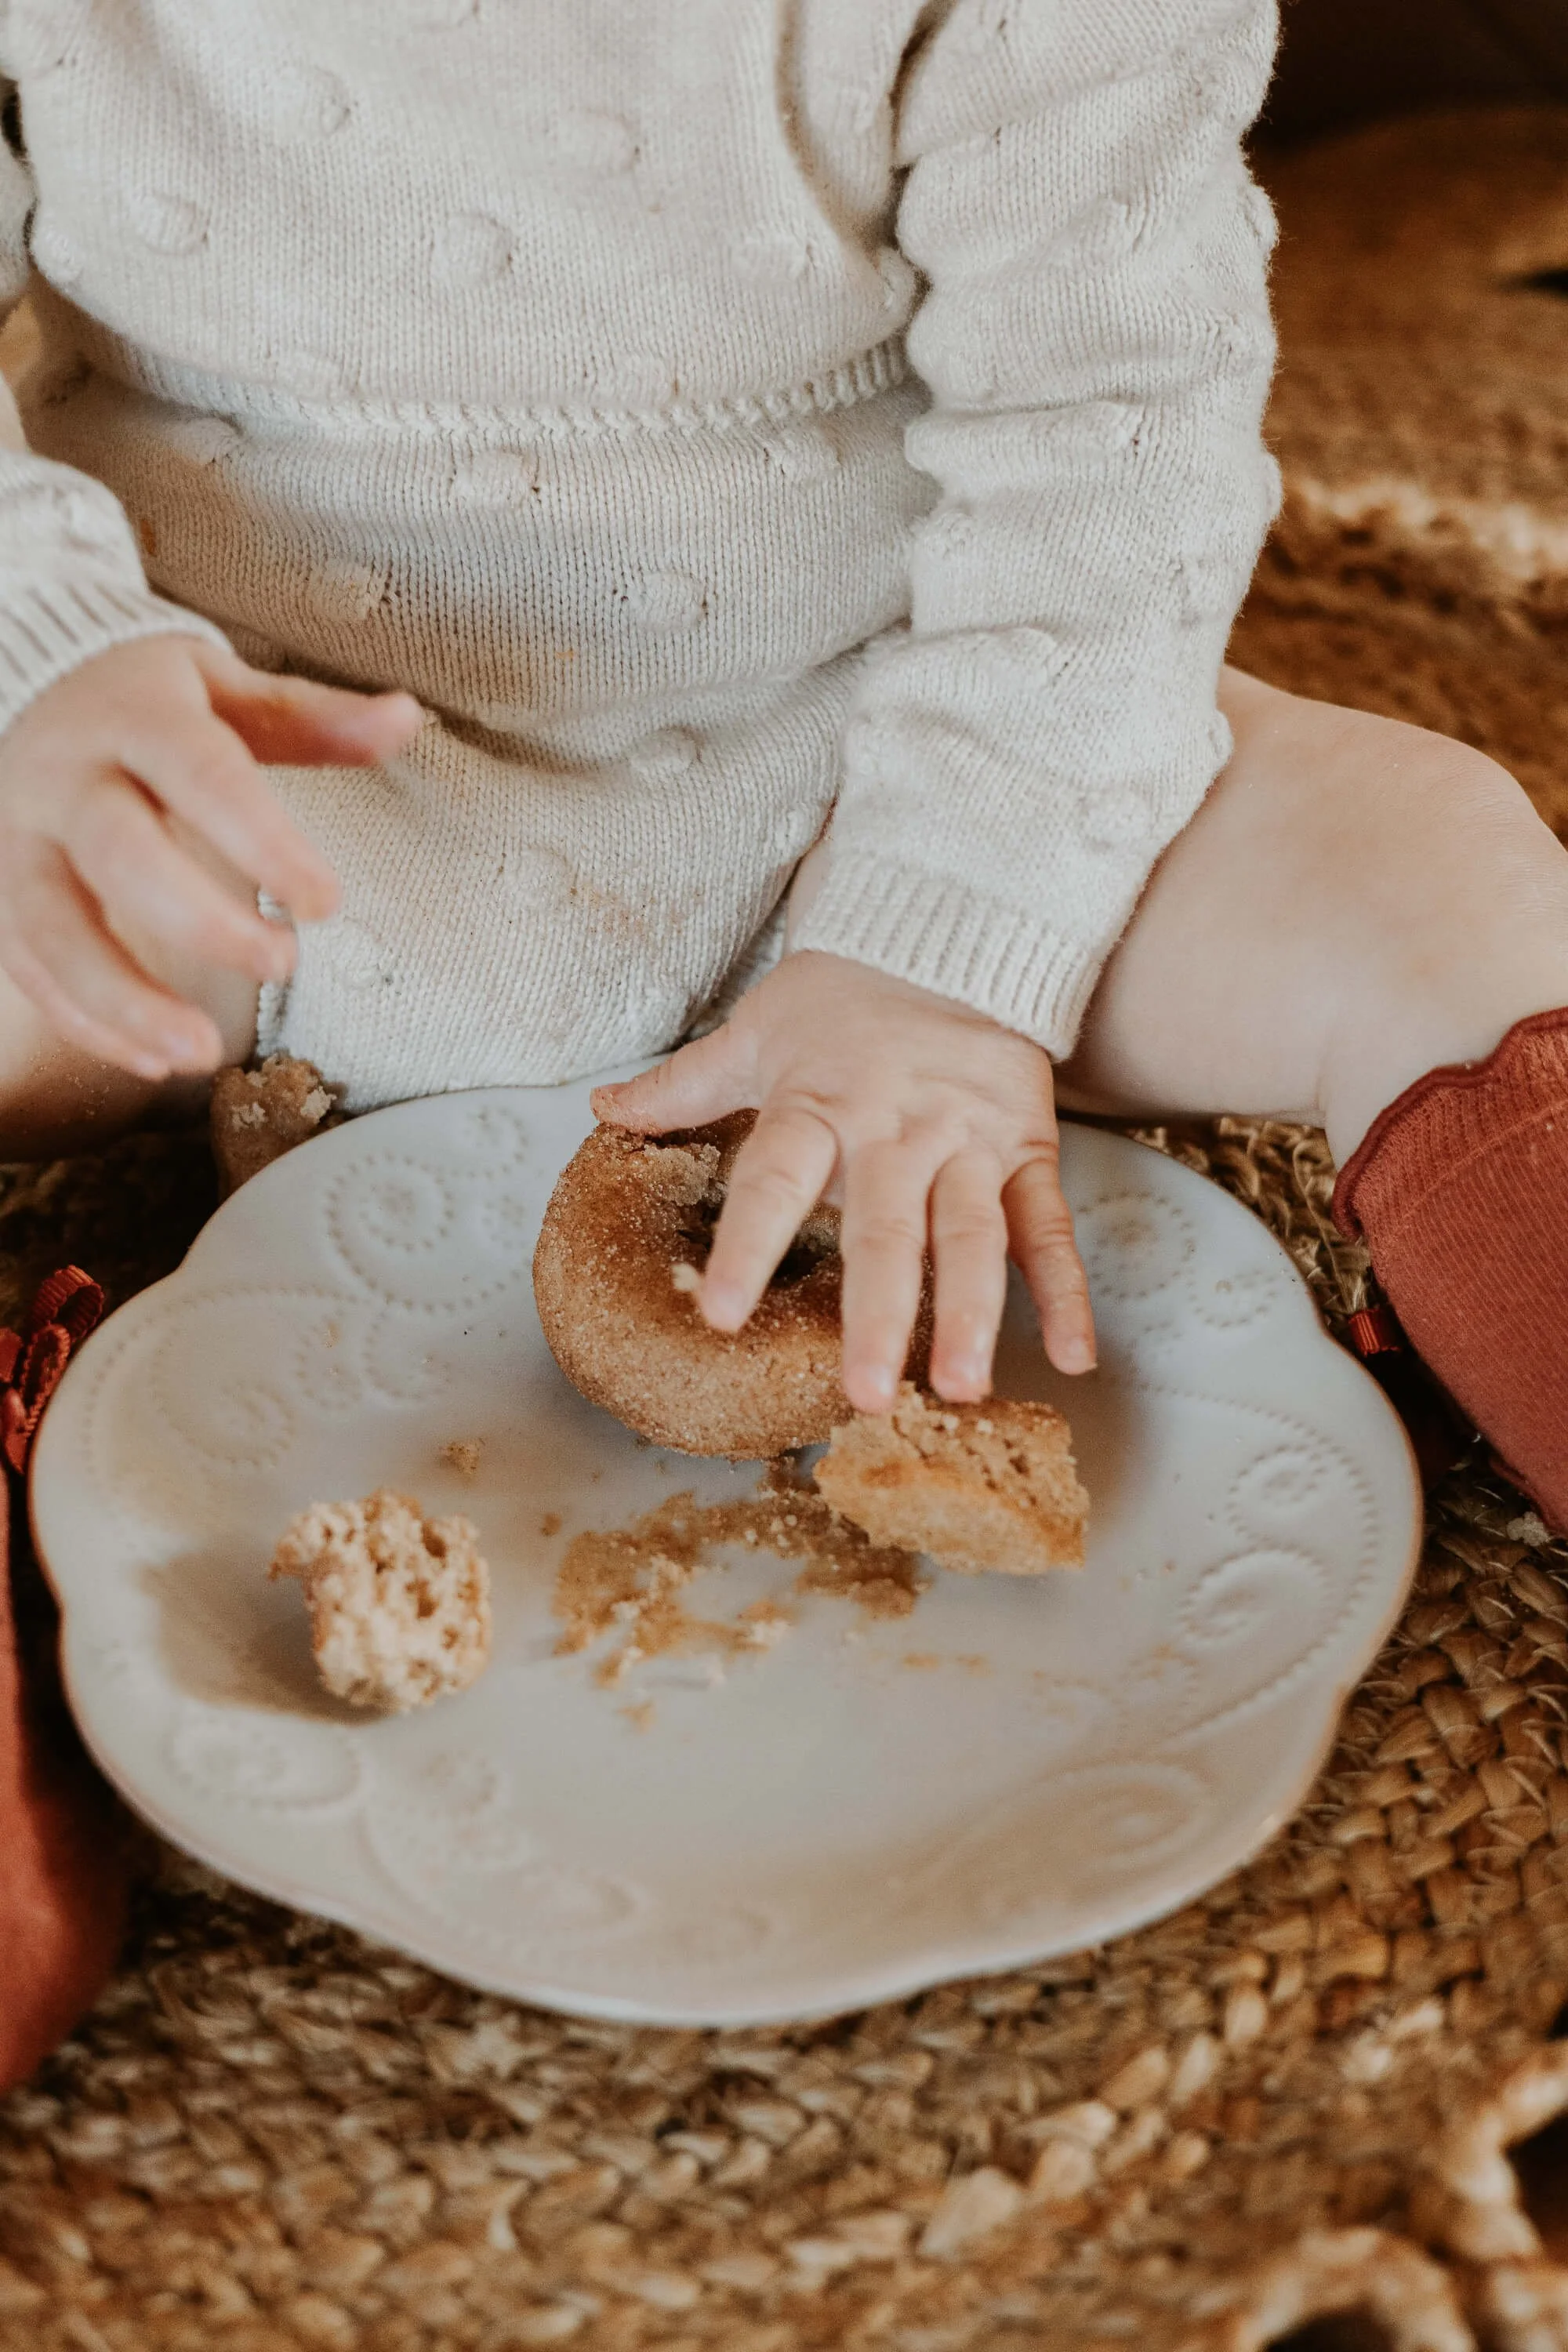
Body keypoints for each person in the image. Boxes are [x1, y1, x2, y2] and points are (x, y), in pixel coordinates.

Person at [0, 1, 1564, 1526]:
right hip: (247, 780)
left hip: (900, 757)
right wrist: (48, 654)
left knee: (1437, 874)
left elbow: (1112, 432)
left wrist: (945, 936)